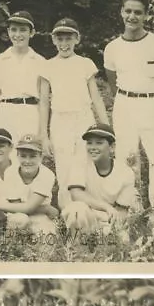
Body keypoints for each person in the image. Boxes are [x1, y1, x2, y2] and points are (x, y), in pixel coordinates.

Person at [104, 0, 154, 210]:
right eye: (128, 11)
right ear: (121, 12)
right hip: (125, 105)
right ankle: (131, 213)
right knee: (127, 160)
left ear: (146, 15)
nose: (132, 17)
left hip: (153, 104)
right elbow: (112, 81)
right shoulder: (112, 48)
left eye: (138, 12)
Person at [39, 18, 109, 210]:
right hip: (60, 122)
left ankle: (92, 218)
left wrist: (107, 129)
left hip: (84, 120)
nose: (64, 44)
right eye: (60, 39)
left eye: (68, 38)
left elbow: (96, 99)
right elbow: (44, 102)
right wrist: (43, 136)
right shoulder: (47, 65)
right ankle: (70, 220)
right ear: (53, 41)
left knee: (87, 167)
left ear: (77, 39)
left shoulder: (85, 63)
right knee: (64, 172)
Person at [62, 124, 139, 236]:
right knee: (76, 209)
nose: (93, 147)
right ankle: (77, 249)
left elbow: (121, 212)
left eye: (99, 143)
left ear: (112, 147)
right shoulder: (79, 163)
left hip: (108, 219)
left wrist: (110, 228)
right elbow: (76, 195)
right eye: (89, 143)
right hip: (86, 216)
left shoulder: (125, 173)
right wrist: (106, 207)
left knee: (122, 239)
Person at [0, 134, 59, 234]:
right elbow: (16, 206)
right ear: (17, 156)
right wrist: (45, 209)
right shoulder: (10, 172)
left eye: (32, 156)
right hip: (18, 214)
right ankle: (13, 248)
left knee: (46, 236)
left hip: (40, 216)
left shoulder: (47, 174)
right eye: (23, 156)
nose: (27, 161)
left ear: (41, 157)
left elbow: (29, 207)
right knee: (19, 220)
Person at [0, 11, 46, 145]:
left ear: (32, 33)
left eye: (23, 30)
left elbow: (43, 100)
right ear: (8, 32)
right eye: (14, 30)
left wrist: (43, 131)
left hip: (30, 113)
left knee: (28, 154)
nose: (18, 35)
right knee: (6, 157)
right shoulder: (1, 59)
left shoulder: (40, 61)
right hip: (5, 112)